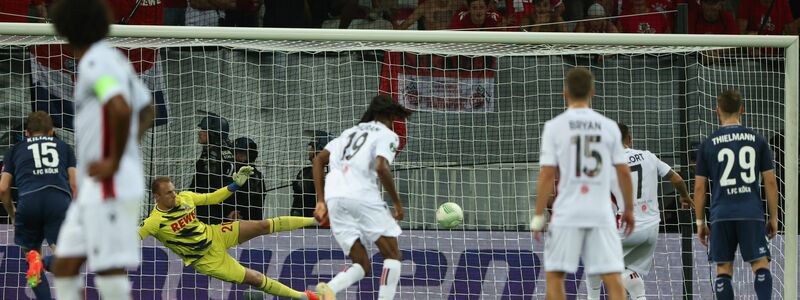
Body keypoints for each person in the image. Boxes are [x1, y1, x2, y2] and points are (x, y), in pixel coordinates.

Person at [49, 0, 156, 299]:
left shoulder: (97, 61)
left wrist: (114, 160)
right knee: (65, 267)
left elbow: (120, 108)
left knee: (108, 270)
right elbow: (147, 108)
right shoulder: (111, 60)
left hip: (109, 181)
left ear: (63, 27)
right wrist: (127, 146)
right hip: (93, 186)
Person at [530, 67, 634, 300]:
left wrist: (538, 216)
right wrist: (628, 209)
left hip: (567, 211)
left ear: (565, 92)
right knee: (614, 279)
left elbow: (547, 174)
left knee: (556, 277)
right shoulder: (608, 126)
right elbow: (623, 173)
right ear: (593, 91)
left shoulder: (555, 127)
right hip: (600, 211)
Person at [139, 173, 319, 300]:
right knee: (255, 278)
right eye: (169, 193)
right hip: (207, 260)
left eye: (174, 190)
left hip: (216, 234)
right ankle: (303, 296)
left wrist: (235, 185)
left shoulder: (185, 198)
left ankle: (316, 220)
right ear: (157, 197)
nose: (174, 195)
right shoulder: (153, 222)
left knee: (262, 225)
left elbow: (214, 198)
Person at [313, 95, 413, 300]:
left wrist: (321, 201)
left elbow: (318, 161)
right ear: (392, 115)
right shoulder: (388, 135)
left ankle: (328, 289)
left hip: (334, 198)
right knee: (393, 256)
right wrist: (396, 202)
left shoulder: (347, 133)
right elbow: (381, 166)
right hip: (361, 195)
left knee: (362, 264)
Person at [586, 122, 692, 300]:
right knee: (627, 270)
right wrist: (684, 196)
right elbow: (677, 179)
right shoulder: (648, 156)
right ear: (630, 139)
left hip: (627, 229)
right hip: (652, 229)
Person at [693, 90, 778, 300]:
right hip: (751, 212)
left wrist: (700, 222)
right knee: (760, 265)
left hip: (721, 214)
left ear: (717, 111)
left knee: (724, 270)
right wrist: (774, 216)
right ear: (742, 109)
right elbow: (770, 181)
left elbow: (699, 188)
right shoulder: (757, 140)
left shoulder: (708, 143)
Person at [0, 111, 76, 299]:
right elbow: (75, 184)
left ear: (26, 132)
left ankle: (37, 263)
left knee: (31, 260)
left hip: (28, 202)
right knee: (68, 259)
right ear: (51, 132)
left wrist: (13, 213)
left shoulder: (15, 150)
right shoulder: (64, 147)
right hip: (57, 201)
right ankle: (43, 262)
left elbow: (2, 189)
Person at [191, 113, 235, 224]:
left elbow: (207, 185)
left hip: (210, 210)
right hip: (223, 207)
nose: (199, 133)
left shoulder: (212, 155)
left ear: (212, 133)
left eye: (203, 130)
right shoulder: (227, 151)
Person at [292, 131, 332, 218]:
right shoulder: (305, 172)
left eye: (312, 147)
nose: (309, 150)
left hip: (314, 221)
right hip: (305, 220)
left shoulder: (306, 174)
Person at [230, 137, 266, 220]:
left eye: (240, 153)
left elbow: (253, 204)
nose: (236, 156)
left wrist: (238, 213)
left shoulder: (254, 176)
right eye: (235, 153)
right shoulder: (234, 171)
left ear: (249, 155)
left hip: (246, 222)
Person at [396, 0, 462, 30]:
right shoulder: (425, 6)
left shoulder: (457, 4)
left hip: (451, 42)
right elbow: (406, 24)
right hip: (431, 43)